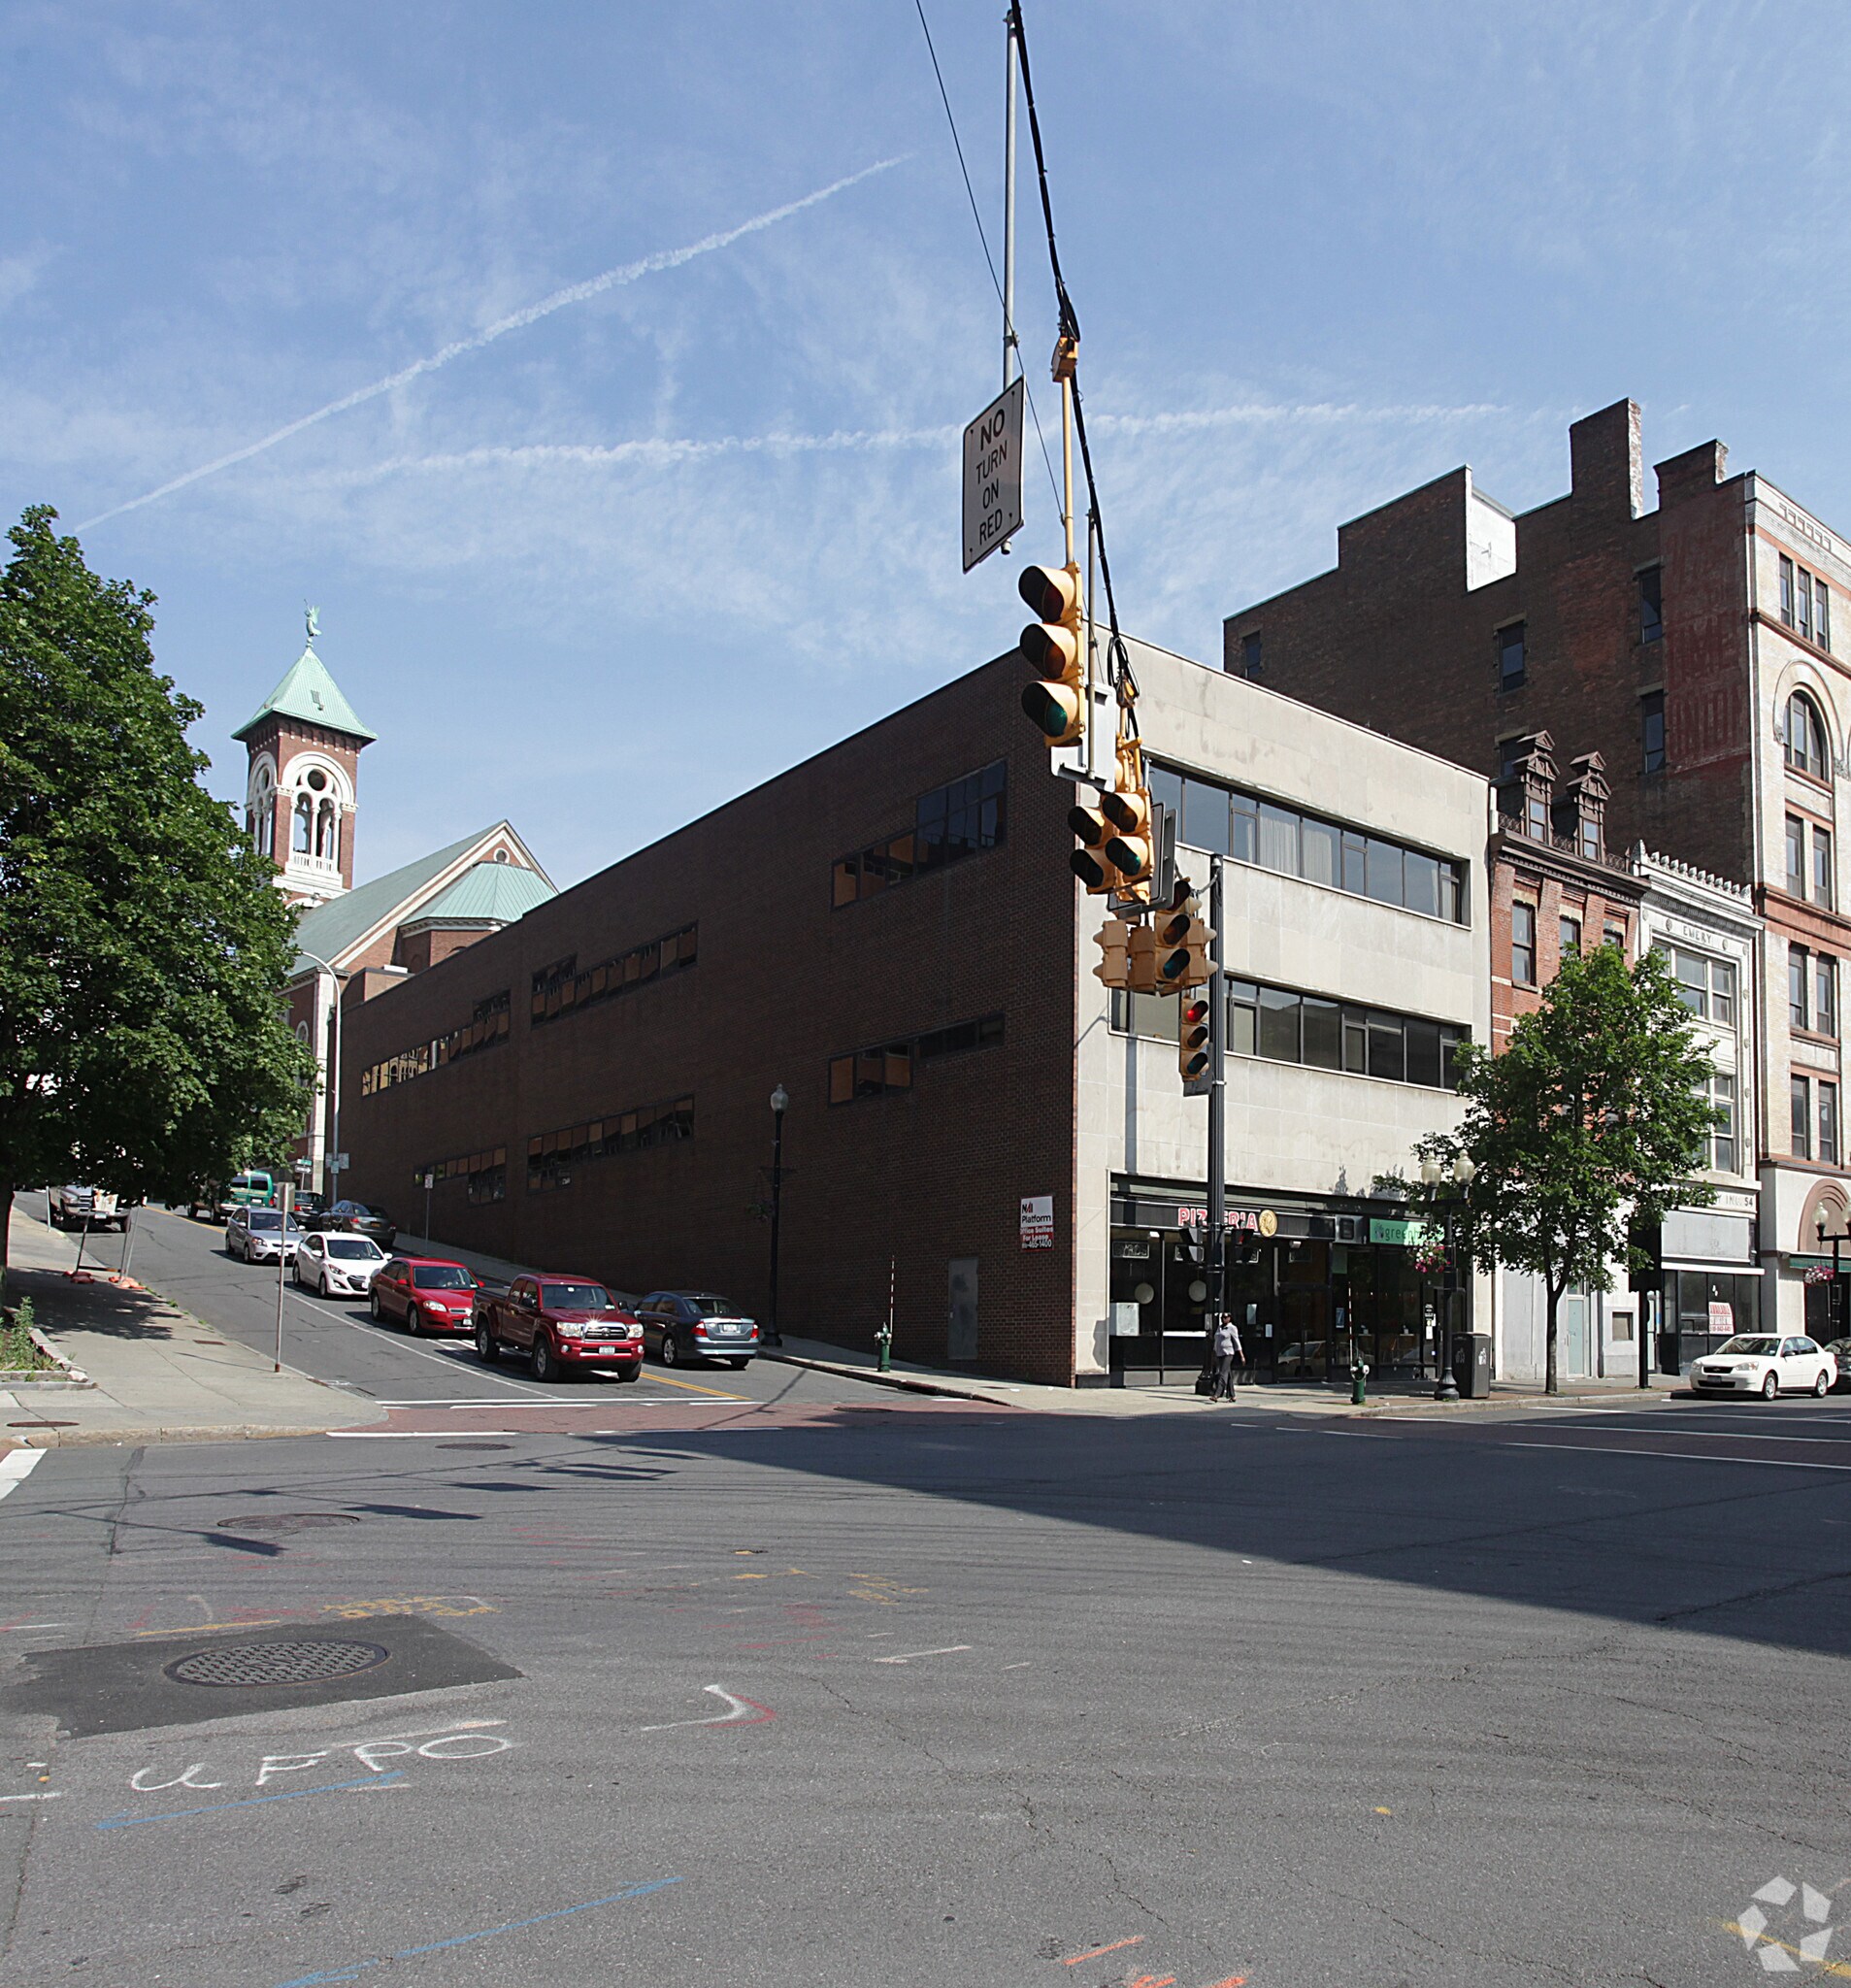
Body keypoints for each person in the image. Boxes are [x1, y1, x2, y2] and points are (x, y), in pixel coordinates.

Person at [1210, 1314, 1242, 1400]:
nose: (1223, 1319)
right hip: (1220, 1353)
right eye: (1222, 1318)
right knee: (1227, 1373)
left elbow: (1236, 1341)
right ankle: (1232, 1395)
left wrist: (1241, 1355)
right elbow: (1216, 1340)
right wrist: (1214, 1351)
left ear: (1229, 1318)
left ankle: (1217, 1394)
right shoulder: (1219, 1328)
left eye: (1225, 1317)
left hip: (1228, 1353)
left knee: (1222, 1373)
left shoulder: (1232, 1328)